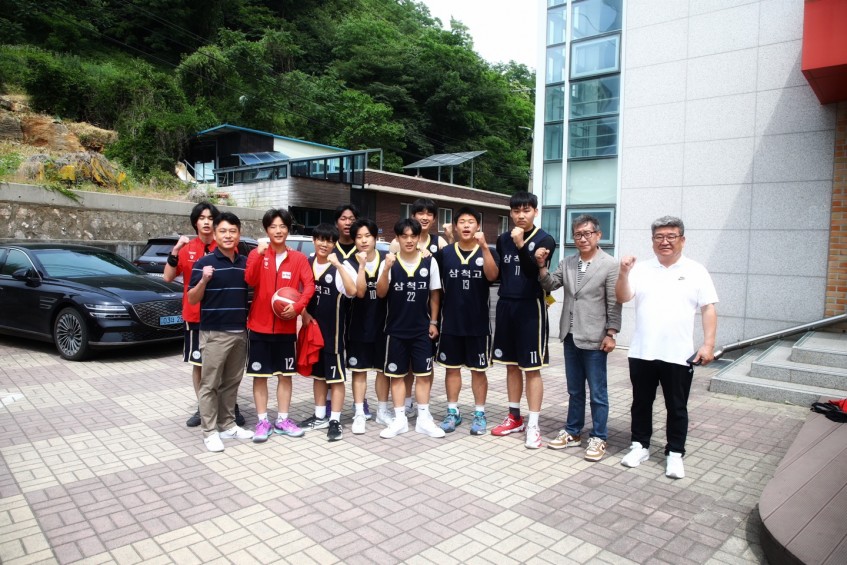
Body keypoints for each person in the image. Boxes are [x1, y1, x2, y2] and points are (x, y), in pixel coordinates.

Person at [615, 215, 718, 479]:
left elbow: (708, 308)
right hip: (642, 351)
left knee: (677, 406)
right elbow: (623, 297)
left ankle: (675, 453)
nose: (665, 241)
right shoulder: (641, 269)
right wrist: (624, 272)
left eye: (671, 236)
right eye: (659, 237)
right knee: (641, 403)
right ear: (652, 241)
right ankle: (640, 446)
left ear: (682, 240)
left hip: (679, 354)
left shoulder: (696, 270)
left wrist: (708, 344)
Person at [535, 214, 621, 462]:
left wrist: (611, 333)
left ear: (598, 235)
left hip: (595, 336)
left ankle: (599, 436)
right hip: (570, 335)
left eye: (587, 233)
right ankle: (573, 431)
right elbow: (550, 285)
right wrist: (542, 265)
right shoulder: (568, 262)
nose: (582, 239)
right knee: (574, 389)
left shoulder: (609, 264)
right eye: (578, 235)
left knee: (597, 392)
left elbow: (614, 302)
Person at [163, 203, 247, 428]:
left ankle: (230, 408)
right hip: (195, 317)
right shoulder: (188, 248)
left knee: (228, 367)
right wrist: (175, 251)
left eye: (211, 218)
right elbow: (168, 277)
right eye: (202, 218)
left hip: (223, 318)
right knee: (199, 364)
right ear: (195, 222)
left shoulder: (230, 249)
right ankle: (203, 408)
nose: (207, 222)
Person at [490, 191, 556, 449]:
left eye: (526, 210)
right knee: (511, 365)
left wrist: (520, 245)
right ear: (510, 212)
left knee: (531, 368)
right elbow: (500, 274)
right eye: (516, 210)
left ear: (535, 212)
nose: (521, 215)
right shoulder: (502, 239)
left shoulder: (545, 239)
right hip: (506, 305)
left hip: (531, 307)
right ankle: (514, 417)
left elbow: (533, 273)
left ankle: (534, 424)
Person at [244, 209, 315, 443]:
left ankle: (283, 419)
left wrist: (298, 307)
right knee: (260, 376)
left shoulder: (298, 258)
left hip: (285, 330)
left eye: (282, 226)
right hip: (259, 327)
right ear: (266, 230)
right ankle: (262, 421)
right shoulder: (257, 254)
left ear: (288, 229)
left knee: (285, 376)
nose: (278, 231)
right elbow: (249, 280)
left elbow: (309, 285)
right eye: (273, 226)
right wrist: (257, 254)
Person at [188, 212, 253, 452]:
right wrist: (203, 281)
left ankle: (228, 425)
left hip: (240, 332)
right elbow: (192, 298)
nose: (228, 235)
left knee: (232, 382)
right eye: (223, 231)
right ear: (214, 235)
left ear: (239, 234)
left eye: (232, 231)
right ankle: (209, 432)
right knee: (210, 384)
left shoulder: (245, 263)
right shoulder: (204, 263)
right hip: (214, 333)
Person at [433, 207, 499, 435]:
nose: (467, 225)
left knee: (478, 371)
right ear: (455, 226)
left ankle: (479, 414)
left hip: (478, 324)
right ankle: (453, 412)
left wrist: (484, 247)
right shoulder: (445, 253)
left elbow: (492, 276)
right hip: (450, 323)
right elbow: (434, 287)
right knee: (451, 370)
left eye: (471, 221)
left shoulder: (488, 251)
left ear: (478, 226)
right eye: (462, 221)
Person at [377, 218, 445, 439]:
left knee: (423, 375)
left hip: (421, 330)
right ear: (397, 238)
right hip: (395, 330)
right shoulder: (390, 261)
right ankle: (400, 420)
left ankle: (424, 419)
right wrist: (386, 269)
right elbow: (380, 292)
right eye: (404, 236)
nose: (408, 240)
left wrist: (433, 322)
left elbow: (435, 294)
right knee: (397, 376)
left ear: (418, 238)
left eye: (413, 236)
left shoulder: (429, 262)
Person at [390, 198, 449, 417]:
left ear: (434, 219)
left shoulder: (439, 242)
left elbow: (441, 280)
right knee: (404, 363)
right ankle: (406, 402)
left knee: (425, 363)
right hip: (403, 312)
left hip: (429, 311)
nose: (424, 217)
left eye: (429, 214)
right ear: (413, 216)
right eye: (420, 213)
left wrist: (434, 320)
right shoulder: (397, 243)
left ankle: (423, 405)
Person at [298, 223, 357, 441]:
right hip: (313, 334)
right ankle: (320, 415)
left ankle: (335, 420)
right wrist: (303, 313)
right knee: (318, 376)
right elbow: (297, 293)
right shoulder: (306, 263)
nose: (324, 244)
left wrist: (339, 265)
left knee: (336, 379)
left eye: (330, 241)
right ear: (314, 240)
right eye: (321, 239)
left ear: (334, 244)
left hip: (334, 334)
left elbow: (353, 291)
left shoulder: (341, 266)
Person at [346, 218, 394, 434]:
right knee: (359, 371)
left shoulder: (388, 259)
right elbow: (360, 292)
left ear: (375, 238)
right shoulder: (349, 262)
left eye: (368, 236)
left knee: (383, 371)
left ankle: (382, 411)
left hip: (384, 325)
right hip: (358, 325)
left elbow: (383, 293)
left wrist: (386, 267)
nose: (364, 240)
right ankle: (359, 412)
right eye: (359, 237)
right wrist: (362, 266)